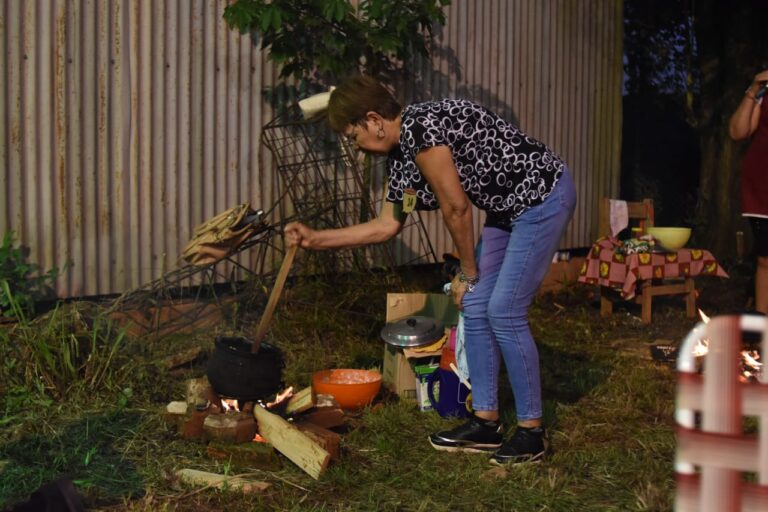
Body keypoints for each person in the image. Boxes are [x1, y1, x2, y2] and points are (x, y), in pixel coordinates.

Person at [285, 75, 576, 465]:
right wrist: (315, 238)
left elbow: (456, 208)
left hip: (541, 196)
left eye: (353, 134)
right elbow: (386, 225)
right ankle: (486, 423)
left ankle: (531, 433)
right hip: (507, 210)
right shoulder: (402, 156)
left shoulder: (422, 127)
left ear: (374, 120)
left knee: (503, 309)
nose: (354, 145)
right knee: (474, 306)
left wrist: (467, 273)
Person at [729, 70, 768, 315]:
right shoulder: (765, 90)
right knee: (766, 259)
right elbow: (738, 131)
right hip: (762, 184)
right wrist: (754, 88)